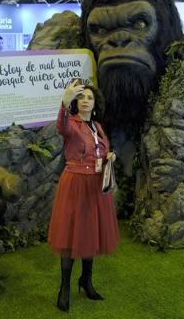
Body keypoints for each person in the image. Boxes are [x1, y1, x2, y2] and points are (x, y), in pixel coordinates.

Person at [48, 79, 119, 312]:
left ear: (94, 102)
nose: (86, 101)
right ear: (76, 103)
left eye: (89, 97)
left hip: (97, 185)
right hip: (75, 184)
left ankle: (86, 281)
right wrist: (64, 101)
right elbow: (61, 126)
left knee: (90, 233)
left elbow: (101, 150)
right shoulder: (71, 124)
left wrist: (110, 156)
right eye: (82, 98)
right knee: (69, 237)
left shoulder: (97, 126)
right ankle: (65, 288)